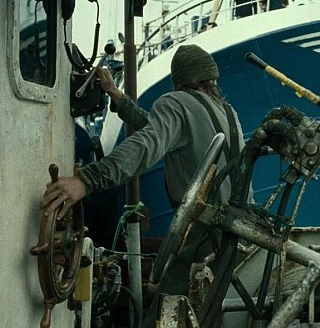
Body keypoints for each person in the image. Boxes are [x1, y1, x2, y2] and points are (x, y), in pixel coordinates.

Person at [41, 44, 246, 325]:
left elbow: (147, 143)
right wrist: (118, 98)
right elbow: (158, 128)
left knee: (163, 316)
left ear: (179, 81)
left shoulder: (177, 103)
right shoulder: (227, 112)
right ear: (212, 78)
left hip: (204, 238)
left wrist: (86, 179)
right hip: (239, 235)